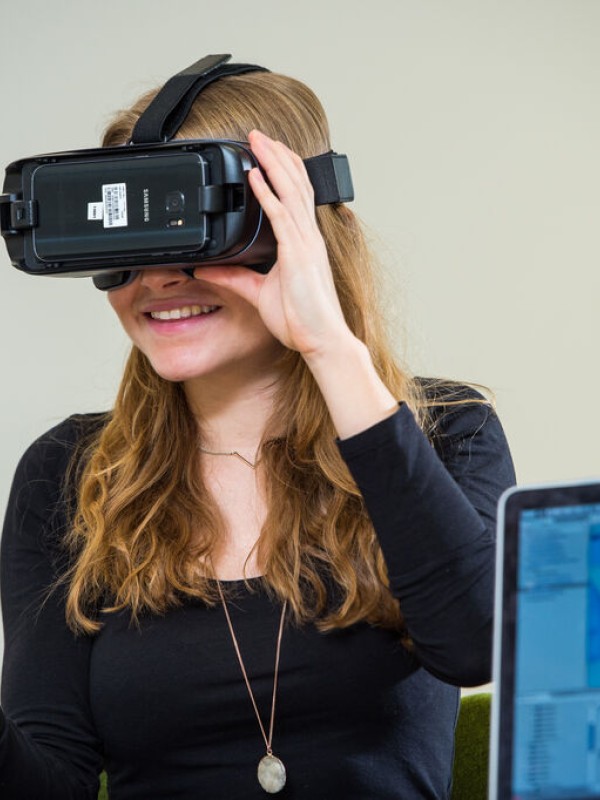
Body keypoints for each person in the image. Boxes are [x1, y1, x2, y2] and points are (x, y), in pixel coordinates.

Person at [0, 65, 515, 799]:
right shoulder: (67, 472)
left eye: (193, 228)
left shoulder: (446, 431)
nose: (158, 275)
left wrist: (330, 346)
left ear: (301, 231)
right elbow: (52, 781)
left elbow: (479, 645)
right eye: (128, 238)